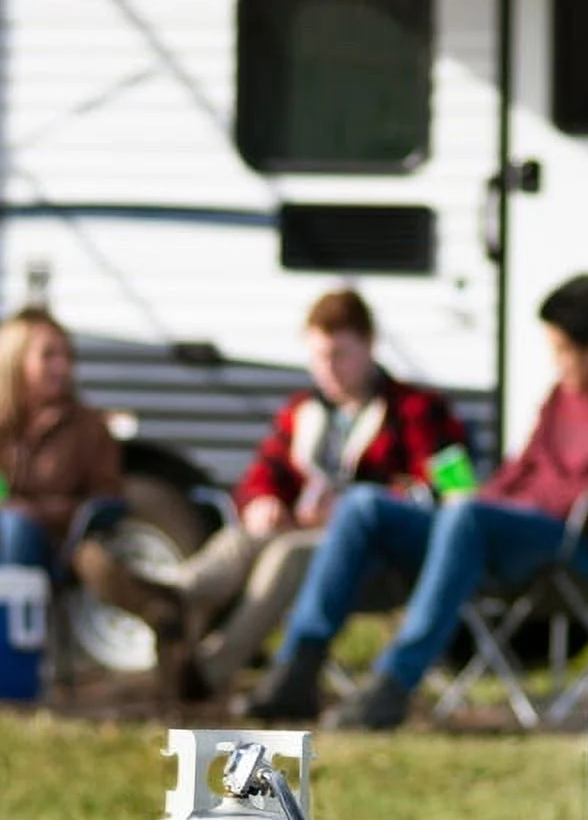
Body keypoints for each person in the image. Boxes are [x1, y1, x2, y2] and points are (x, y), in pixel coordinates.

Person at [238, 273, 588, 730]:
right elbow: (520, 468)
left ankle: (393, 683)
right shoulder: (562, 396)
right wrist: (483, 498)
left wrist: (499, 505)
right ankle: (298, 666)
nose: (556, 363)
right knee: (364, 505)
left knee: (467, 515)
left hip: (585, 549)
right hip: (504, 532)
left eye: (562, 350)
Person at [167, 289, 468, 700]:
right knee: (238, 541)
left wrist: (358, 506)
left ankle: (207, 672)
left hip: (374, 557)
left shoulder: (418, 409)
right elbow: (262, 474)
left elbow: (457, 492)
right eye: (318, 357)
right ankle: (168, 597)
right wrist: (263, 500)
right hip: (301, 528)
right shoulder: (302, 412)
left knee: (285, 555)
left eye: (339, 355)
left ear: (369, 345)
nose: (328, 369)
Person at [0, 306, 186, 690]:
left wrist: (43, 511)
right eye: (49, 356)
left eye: (67, 356)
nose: (63, 367)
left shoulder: (88, 425)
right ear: (13, 359)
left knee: (43, 537)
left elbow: (105, 494)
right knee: (12, 524)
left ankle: (19, 653)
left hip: (61, 540)